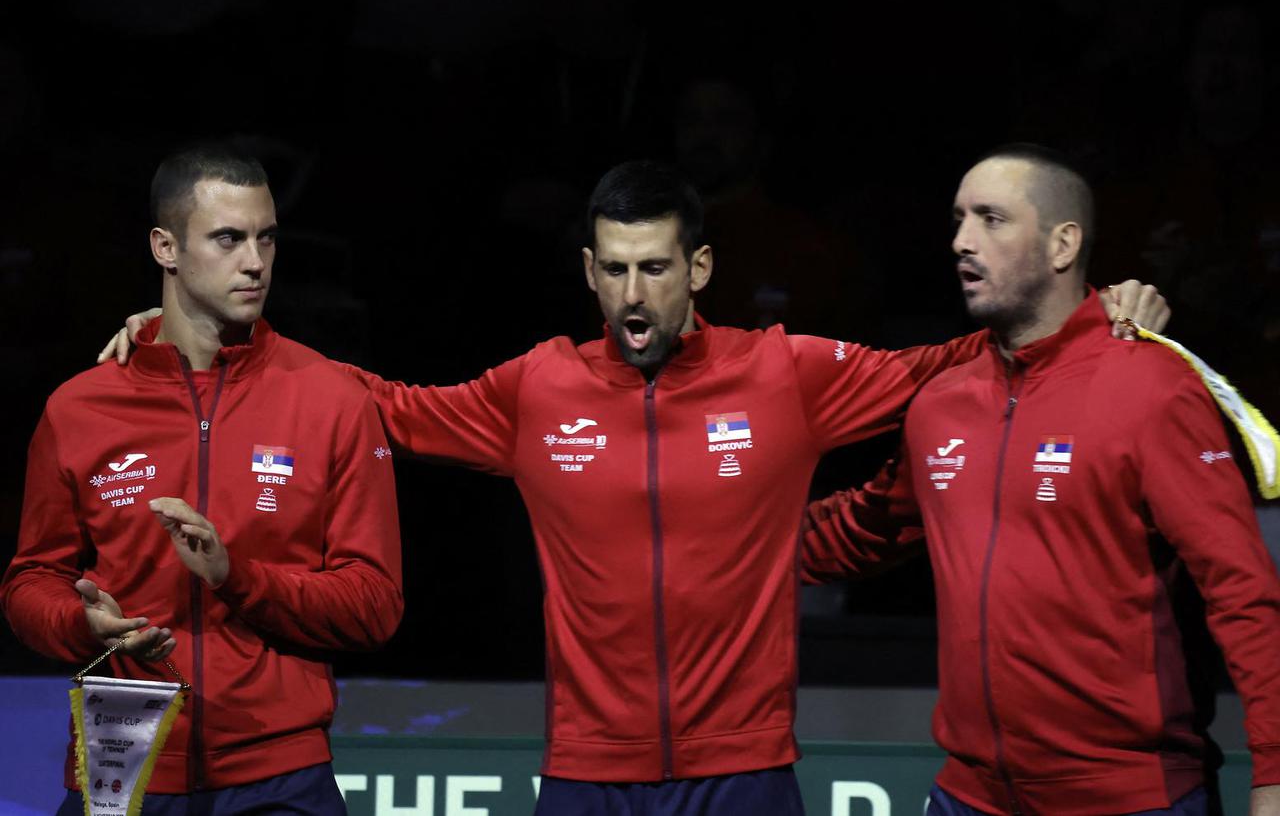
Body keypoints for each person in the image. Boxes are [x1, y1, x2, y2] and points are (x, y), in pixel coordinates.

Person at [102, 160, 1165, 816]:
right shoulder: (537, 387)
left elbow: (953, 364)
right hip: (583, 774)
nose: (631, 292)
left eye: (654, 267)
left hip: (745, 771)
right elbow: (380, 403)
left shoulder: (785, 373)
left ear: (697, 268)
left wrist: (1090, 314)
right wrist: (197, 335)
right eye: (611, 268)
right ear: (586, 271)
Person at [802, 144, 1280, 815]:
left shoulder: (1153, 388)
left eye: (992, 219)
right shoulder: (943, 402)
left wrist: (1274, 775)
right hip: (970, 796)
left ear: (1063, 244)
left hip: (1128, 797)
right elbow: (865, 528)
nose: (962, 241)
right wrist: (721, 541)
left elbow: (1244, 591)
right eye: (959, 219)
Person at [1, 145, 404, 814]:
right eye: (228, 239)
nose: (255, 262)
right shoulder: (80, 407)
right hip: (118, 757)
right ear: (165, 246)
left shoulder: (333, 399)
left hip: (278, 773)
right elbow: (27, 581)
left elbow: (374, 603)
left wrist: (235, 577)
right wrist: (82, 622)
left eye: (265, 238)